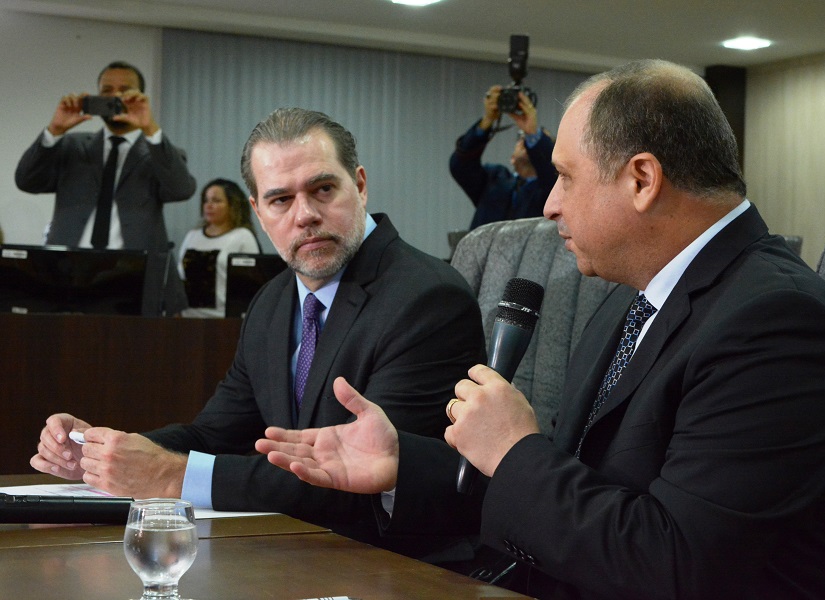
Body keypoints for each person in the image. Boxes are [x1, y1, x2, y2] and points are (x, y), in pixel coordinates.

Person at [258, 60, 825, 599]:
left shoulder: (778, 323)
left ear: (641, 180)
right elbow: (574, 486)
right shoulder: (631, 299)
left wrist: (516, 449)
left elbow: (676, 566)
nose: (549, 204)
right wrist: (405, 465)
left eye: (566, 177)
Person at [30, 108, 486, 562]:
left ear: (360, 185)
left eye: (323, 189)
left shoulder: (427, 299)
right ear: (258, 212)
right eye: (280, 199)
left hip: (396, 565)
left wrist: (170, 476)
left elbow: (356, 482)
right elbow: (218, 434)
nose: (305, 215)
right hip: (295, 551)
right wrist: (105, 453)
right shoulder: (273, 300)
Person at [14, 60, 195, 316]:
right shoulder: (72, 147)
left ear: (141, 96)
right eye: (107, 90)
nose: (115, 96)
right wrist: (54, 131)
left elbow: (181, 189)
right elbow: (27, 181)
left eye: (125, 89)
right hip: (69, 277)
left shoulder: (161, 153)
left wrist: (150, 129)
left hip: (133, 281)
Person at [450, 85, 556, 229]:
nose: (526, 142)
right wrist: (486, 121)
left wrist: (534, 133)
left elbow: (552, 174)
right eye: (522, 137)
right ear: (512, 158)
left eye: (534, 140)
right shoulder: (494, 178)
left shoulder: (553, 190)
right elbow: (460, 166)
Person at [177, 178, 261, 318]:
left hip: (224, 321)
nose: (209, 205)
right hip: (187, 318)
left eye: (216, 201)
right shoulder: (192, 236)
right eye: (206, 200)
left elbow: (250, 286)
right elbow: (179, 278)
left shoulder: (242, 236)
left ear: (232, 204)